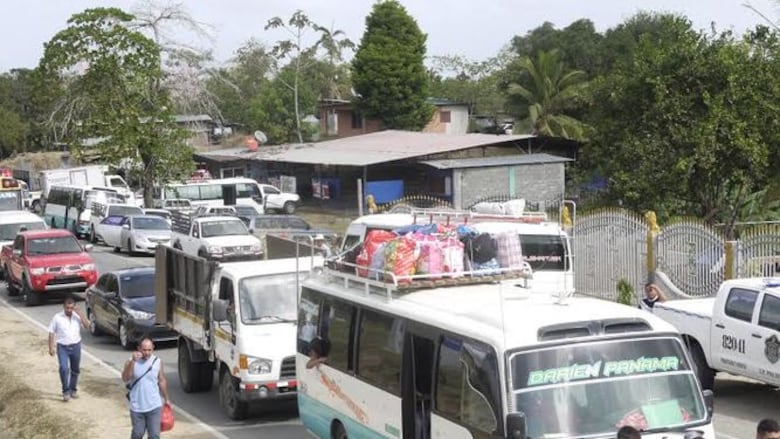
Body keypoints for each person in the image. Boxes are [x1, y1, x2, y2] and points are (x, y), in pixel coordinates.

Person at [122, 338, 170, 439]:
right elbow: (126, 378)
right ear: (139, 348)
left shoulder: (157, 361)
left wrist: (166, 399)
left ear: (153, 348)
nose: (147, 353)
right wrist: (133, 362)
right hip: (137, 407)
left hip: (154, 406)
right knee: (138, 433)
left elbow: (162, 380)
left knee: (154, 435)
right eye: (144, 350)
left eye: (149, 350)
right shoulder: (130, 362)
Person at [48, 296, 90, 402]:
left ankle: (73, 389)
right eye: (67, 308)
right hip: (62, 347)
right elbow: (51, 332)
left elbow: (87, 326)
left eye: (71, 308)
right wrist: (51, 347)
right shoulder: (57, 317)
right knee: (64, 368)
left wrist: (80, 314)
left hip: (76, 346)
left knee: (75, 370)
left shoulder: (76, 316)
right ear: (64, 307)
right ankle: (65, 391)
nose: (69, 310)